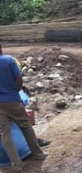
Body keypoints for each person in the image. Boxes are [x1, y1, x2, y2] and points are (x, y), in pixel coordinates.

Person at [0, 43, 47, 171]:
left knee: (5, 134)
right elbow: (19, 78)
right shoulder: (8, 60)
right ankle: (38, 154)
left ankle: (16, 164)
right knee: (26, 127)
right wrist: (15, 90)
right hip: (12, 100)